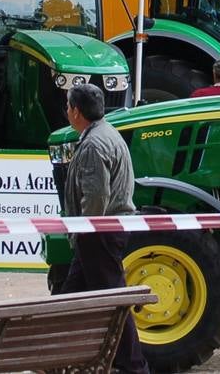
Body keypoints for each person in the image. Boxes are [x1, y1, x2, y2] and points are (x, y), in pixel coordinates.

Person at [58, 83, 149, 374]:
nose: (67, 111)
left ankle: (134, 367)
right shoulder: (106, 135)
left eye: (68, 106)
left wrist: (84, 232)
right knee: (68, 297)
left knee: (112, 303)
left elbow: (96, 198)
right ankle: (57, 358)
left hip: (97, 235)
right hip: (100, 234)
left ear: (75, 111)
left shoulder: (94, 144)